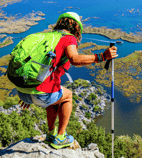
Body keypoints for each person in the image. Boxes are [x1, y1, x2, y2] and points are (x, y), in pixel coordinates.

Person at [15, 12, 118, 149]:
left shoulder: (48, 37)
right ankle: (60, 137)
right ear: (75, 27)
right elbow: (74, 59)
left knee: (56, 95)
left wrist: (27, 90)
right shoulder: (68, 38)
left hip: (23, 91)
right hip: (39, 93)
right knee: (68, 96)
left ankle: (50, 134)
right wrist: (102, 56)